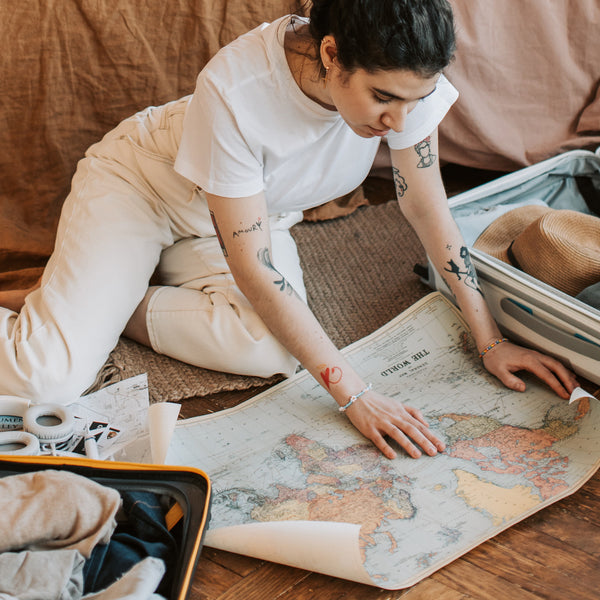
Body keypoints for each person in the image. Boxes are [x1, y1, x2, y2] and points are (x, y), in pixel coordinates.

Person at [0, 0, 578, 460]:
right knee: (46, 381)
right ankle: (81, 305)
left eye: (415, 101)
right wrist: (356, 395)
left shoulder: (405, 88)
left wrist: (491, 340)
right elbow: (253, 267)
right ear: (331, 53)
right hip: (143, 190)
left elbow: (428, 210)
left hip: (252, 213)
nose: (399, 121)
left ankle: (103, 302)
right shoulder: (235, 88)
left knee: (273, 347)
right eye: (383, 98)